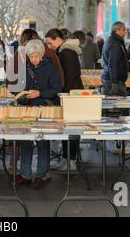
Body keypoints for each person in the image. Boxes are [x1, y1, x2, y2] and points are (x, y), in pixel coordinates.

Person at [16, 39, 61, 190]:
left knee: (42, 141)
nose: (33, 59)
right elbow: (20, 87)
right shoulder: (24, 68)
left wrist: (39, 93)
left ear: (41, 55)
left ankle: (41, 175)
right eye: (31, 56)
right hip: (27, 109)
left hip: (43, 109)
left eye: (36, 56)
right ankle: (25, 174)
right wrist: (22, 95)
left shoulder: (51, 68)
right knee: (26, 142)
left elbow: (56, 89)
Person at [45, 28, 83, 171]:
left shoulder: (67, 53)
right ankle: (66, 158)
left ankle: (71, 160)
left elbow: (69, 77)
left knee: (72, 129)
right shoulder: (65, 51)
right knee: (67, 129)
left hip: (70, 96)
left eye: (50, 43)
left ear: (57, 39)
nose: (49, 46)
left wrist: (62, 96)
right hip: (70, 95)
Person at [101, 21, 129, 96]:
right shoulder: (116, 43)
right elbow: (113, 63)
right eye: (124, 29)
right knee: (121, 105)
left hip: (111, 78)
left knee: (112, 104)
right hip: (114, 80)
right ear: (117, 30)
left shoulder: (111, 40)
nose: (125, 32)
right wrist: (114, 82)